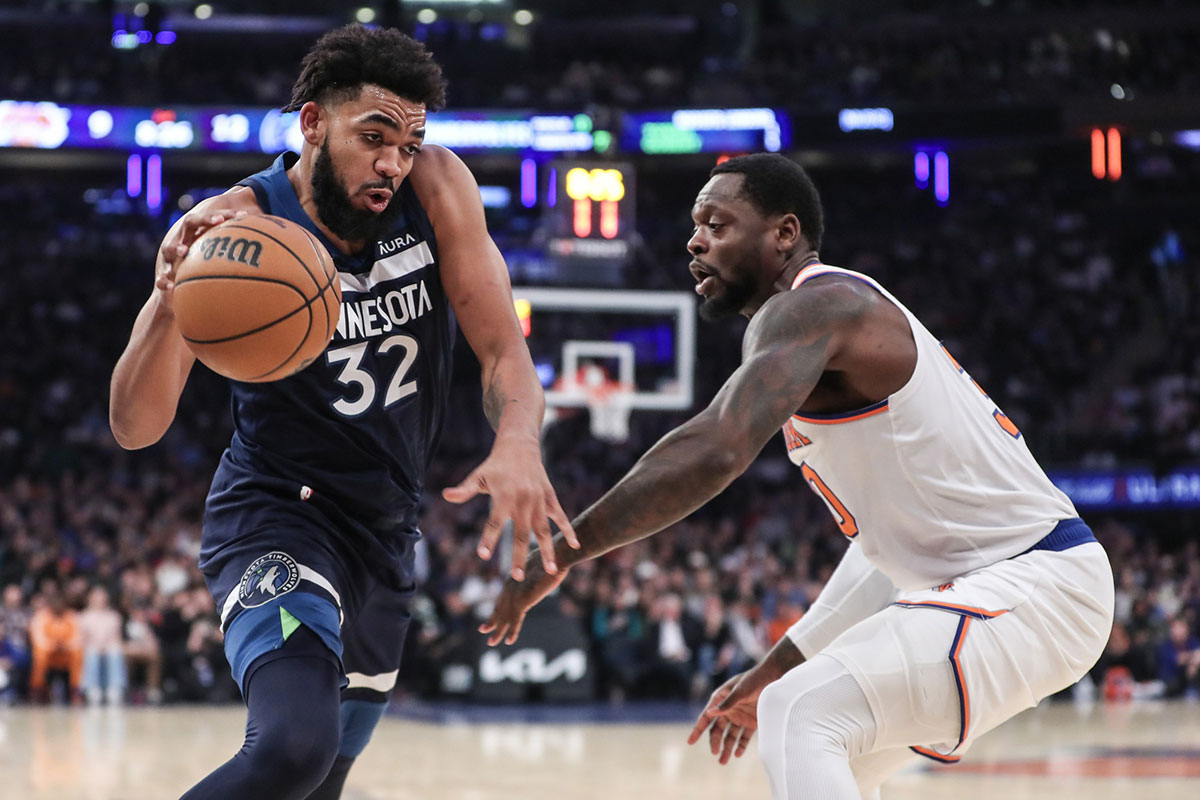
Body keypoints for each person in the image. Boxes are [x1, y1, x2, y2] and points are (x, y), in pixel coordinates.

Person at [481, 153, 1115, 799]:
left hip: (1038, 582)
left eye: (717, 223)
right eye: (695, 225)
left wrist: (561, 553)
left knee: (804, 712)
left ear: (784, 233)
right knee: (827, 753)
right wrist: (778, 663)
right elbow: (884, 555)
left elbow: (715, 448)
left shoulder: (819, 304)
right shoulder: (811, 330)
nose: (695, 240)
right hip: (1007, 586)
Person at [110, 25, 576, 800]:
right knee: (293, 747)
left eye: (409, 140)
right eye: (375, 136)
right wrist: (167, 303)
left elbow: (502, 353)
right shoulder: (233, 228)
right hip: (277, 515)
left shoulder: (437, 186)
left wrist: (520, 439)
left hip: (386, 533)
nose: (394, 160)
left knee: (318, 782)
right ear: (313, 124)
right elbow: (135, 426)